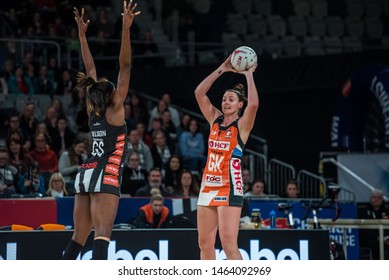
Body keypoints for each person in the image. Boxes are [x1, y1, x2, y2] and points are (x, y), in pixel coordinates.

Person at [62, 2, 140, 260]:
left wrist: (82, 35)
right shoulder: (114, 109)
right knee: (102, 236)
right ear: (111, 95)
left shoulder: (92, 109)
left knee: (77, 238)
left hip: (85, 173)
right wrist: (126, 30)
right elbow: (125, 67)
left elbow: (90, 69)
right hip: (106, 172)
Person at [195, 54, 259, 260]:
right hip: (208, 185)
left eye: (231, 100)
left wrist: (249, 74)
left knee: (228, 244)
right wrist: (222, 68)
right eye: (223, 99)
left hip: (230, 185)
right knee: (204, 243)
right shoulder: (214, 118)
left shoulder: (242, 126)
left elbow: (254, 105)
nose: (225, 102)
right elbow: (199, 93)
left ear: (240, 105)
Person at [358, 189, 389, 260]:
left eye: (379, 198)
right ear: (370, 199)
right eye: (374, 197)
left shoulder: (386, 211)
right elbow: (364, 229)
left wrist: (386, 237)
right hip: (369, 239)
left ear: (382, 200)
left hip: (385, 239)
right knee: (377, 245)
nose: (376, 199)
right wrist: (378, 238)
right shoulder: (364, 211)